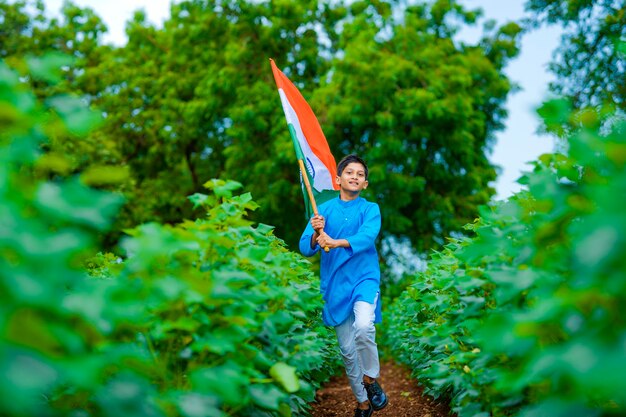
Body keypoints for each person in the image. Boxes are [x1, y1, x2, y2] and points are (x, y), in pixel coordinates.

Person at [299, 154, 388, 417]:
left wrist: (335, 241)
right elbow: (305, 247)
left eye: (360, 174)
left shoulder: (370, 209)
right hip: (335, 285)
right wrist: (316, 234)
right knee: (348, 351)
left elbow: (367, 237)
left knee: (364, 325)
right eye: (350, 172)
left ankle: (371, 380)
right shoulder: (322, 211)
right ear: (338, 179)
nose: (355, 177)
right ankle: (362, 402)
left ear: (365, 184)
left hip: (364, 278)